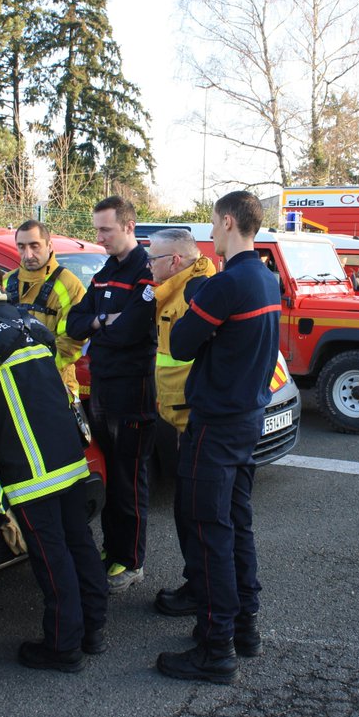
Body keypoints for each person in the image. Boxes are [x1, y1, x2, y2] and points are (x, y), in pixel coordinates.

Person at [0, 254, 108, 673]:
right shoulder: (32, 325)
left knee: (50, 553)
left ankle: (62, 647)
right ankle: (92, 630)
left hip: (29, 461)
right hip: (66, 450)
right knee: (78, 541)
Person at [156, 191, 280, 685]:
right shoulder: (266, 279)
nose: (209, 233)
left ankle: (216, 647)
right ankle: (245, 628)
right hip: (247, 417)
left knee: (210, 533)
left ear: (229, 222)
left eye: (212, 223)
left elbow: (182, 342)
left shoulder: (226, 284)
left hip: (216, 423)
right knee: (235, 524)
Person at [65, 196, 157, 592]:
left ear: (130, 226)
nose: (99, 237)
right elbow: (75, 322)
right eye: (97, 229)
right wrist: (103, 320)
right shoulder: (105, 271)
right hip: (101, 388)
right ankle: (113, 551)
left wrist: (100, 326)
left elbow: (131, 331)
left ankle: (132, 561)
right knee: (110, 477)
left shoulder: (145, 272)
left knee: (128, 478)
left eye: (106, 229)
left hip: (132, 392)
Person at [147, 228, 216, 618]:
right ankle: (199, 584)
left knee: (196, 512)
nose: (148, 264)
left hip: (196, 419)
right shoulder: (174, 289)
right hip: (178, 417)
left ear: (174, 260)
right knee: (186, 509)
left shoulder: (198, 293)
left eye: (153, 257)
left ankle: (201, 591)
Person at [3, 219, 88, 397]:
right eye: (21, 247)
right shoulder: (6, 282)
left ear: (49, 245)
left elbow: (74, 340)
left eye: (35, 246)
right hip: (13, 384)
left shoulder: (69, 285)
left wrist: (39, 368)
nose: (28, 255)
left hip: (56, 385)